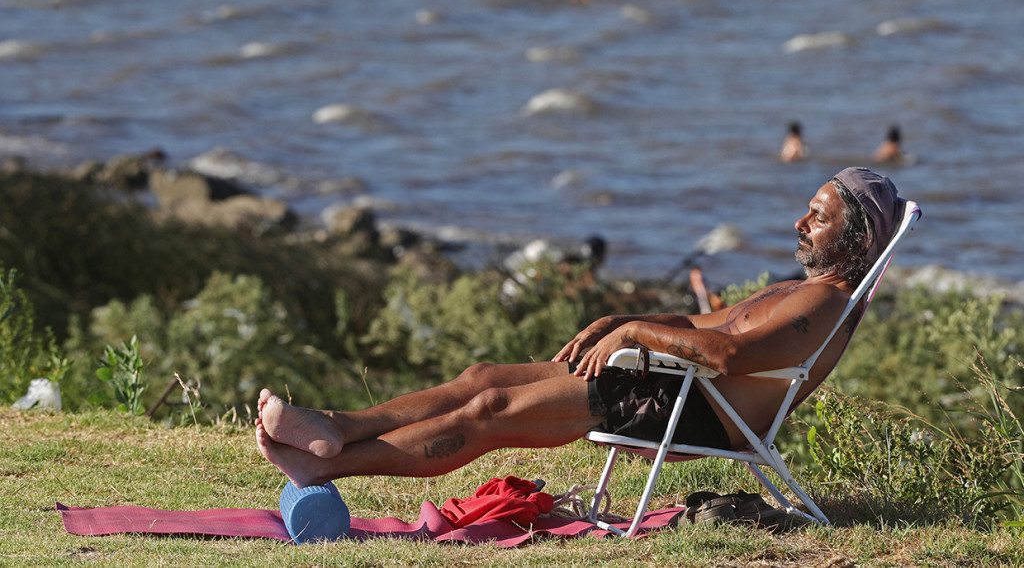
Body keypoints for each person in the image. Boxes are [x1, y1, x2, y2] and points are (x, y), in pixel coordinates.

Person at [255, 168, 904, 489]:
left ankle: (329, 470)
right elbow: (700, 324)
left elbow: (728, 356)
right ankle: (335, 426)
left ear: (855, 235)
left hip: (689, 409)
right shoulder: (801, 290)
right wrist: (624, 321)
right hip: (670, 386)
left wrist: (637, 339)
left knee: (491, 408)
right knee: (482, 377)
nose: (799, 223)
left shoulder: (822, 307)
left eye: (815, 217)